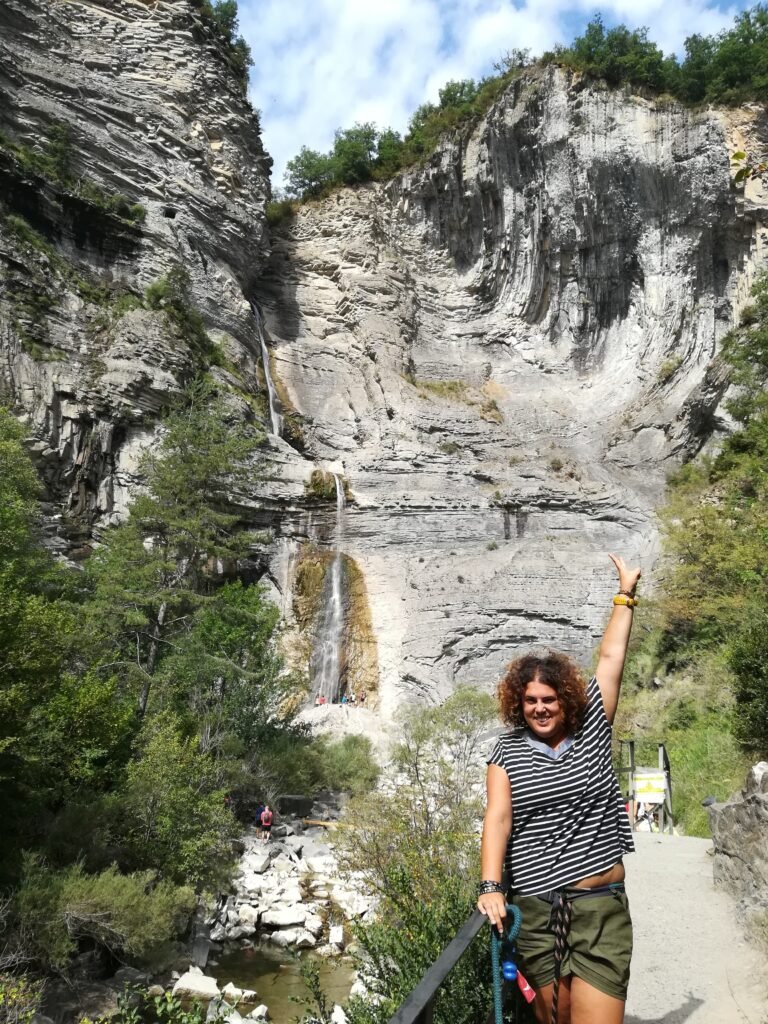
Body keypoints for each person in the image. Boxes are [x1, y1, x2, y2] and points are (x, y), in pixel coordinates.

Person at [478, 554, 641, 1024]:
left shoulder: (593, 728)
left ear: (566, 699)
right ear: (518, 703)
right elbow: (498, 818)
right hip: (538, 912)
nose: (540, 708)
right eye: (531, 700)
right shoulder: (506, 750)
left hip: (600, 908)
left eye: (548, 699)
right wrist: (490, 886)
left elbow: (610, 659)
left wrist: (625, 595)